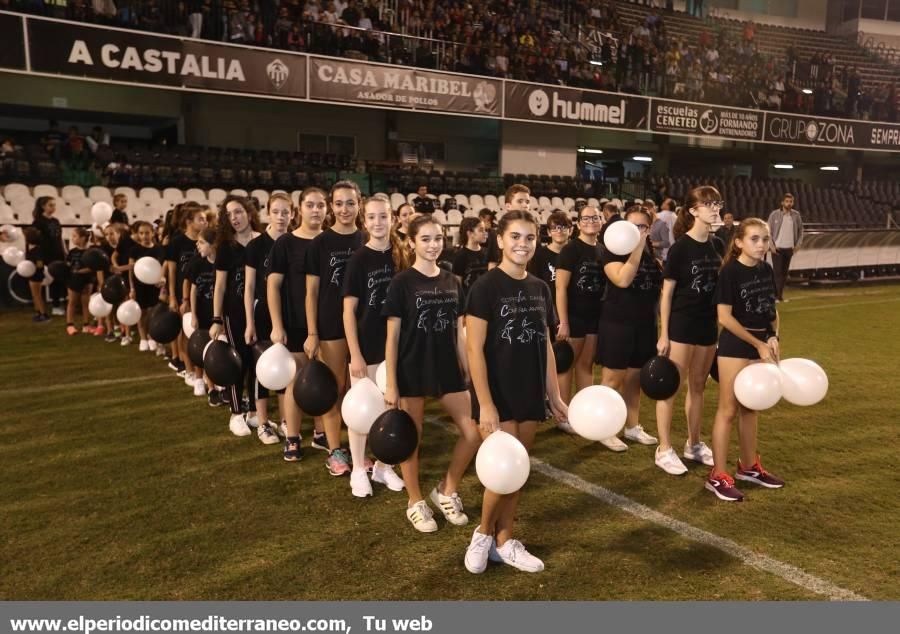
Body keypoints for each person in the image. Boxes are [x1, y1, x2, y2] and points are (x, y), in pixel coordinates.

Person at [464, 209, 568, 574]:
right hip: (497, 391)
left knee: (518, 471)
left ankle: (505, 542)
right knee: (502, 471)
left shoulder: (540, 287)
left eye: (529, 238)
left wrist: (554, 395)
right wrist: (487, 404)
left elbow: (546, 345)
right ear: (500, 240)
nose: (522, 244)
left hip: (529, 389)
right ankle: (482, 534)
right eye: (515, 237)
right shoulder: (484, 287)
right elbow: (474, 348)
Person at [382, 214, 480, 533]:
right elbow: (393, 336)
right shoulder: (402, 282)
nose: (433, 244)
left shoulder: (453, 280)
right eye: (425, 239)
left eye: (437, 238)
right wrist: (392, 384)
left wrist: (469, 371)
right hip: (412, 367)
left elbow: (459, 332)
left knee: (472, 433)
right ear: (411, 242)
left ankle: (446, 490)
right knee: (413, 438)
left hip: (447, 368)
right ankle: (415, 501)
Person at [707, 218, 784, 502]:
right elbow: (724, 317)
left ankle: (749, 467)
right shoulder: (730, 272)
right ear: (738, 242)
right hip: (735, 346)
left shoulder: (765, 269)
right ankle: (717, 475)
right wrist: (758, 344)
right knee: (728, 410)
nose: (761, 244)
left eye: (764, 239)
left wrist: (774, 336)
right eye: (754, 239)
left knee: (751, 407)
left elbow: (770, 309)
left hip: (760, 344)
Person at [654, 186, 723, 475]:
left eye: (717, 203)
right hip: (681, 324)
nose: (714, 208)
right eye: (707, 204)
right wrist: (664, 333)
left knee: (698, 386)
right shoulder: (681, 247)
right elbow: (667, 292)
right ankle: (664, 448)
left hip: (707, 325)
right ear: (693, 211)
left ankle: (693, 444)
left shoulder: (718, 245)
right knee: (671, 387)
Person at [342, 194, 407, 497]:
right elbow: (348, 311)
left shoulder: (400, 255)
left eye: (383, 216)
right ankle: (358, 468)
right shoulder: (358, 259)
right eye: (372, 217)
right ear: (364, 221)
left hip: (395, 347)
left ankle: (383, 466)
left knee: (390, 408)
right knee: (362, 411)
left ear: (392, 218)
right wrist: (355, 354)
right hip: (366, 346)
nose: (378, 223)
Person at [304, 181, 365, 475]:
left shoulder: (367, 238)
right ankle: (335, 449)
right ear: (332, 206)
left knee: (362, 388)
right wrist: (313, 332)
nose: (344, 209)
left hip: (365, 323)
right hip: (330, 324)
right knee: (335, 387)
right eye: (339, 203)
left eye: (350, 203)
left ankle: (360, 449)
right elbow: (312, 292)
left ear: (359, 204)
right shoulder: (321, 243)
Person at [269, 188, 328, 460]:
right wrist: (277, 325)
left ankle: (320, 433)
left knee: (324, 382)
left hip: (328, 324)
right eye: (310, 205)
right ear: (299, 209)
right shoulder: (286, 243)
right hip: (295, 323)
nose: (316, 210)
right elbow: (273, 286)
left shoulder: (331, 241)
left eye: (320, 205)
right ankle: (292, 437)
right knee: (296, 382)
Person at [597, 206, 661, 451]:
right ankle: (606, 429)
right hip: (617, 323)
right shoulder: (610, 252)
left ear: (649, 229)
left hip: (644, 324)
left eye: (642, 227)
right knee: (612, 379)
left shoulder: (652, 257)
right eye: (632, 227)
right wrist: (636, 248)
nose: (637, 231)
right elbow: (622, 280)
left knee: (635, 380)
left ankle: (632, 427)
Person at [209, 196, 262, 437]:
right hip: (234, 313)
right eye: (229, 215)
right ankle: (236, 412)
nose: (235, 218)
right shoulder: (226, 248)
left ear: (249, 213)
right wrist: (217, 318)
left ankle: (254, 410)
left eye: (238, 212)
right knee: (237, 361)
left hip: (261, 312)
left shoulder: (263, 242)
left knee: (257, 362)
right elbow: (219, 287)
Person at [244, 194, 293, 445]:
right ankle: (263, 423)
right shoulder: (256, 246)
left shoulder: (295, 242)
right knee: (261, 369)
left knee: (287, 368)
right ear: (268, 213)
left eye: (286, 212)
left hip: (289, 313)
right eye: (277, 211)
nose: (282, 217)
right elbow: (250, 286)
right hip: (263, 313)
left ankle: (285, 420)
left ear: (292, 214)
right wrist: (250, 322)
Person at [555, 205, 604, 438]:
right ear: (578, 223)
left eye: (595, 217)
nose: (590, 221)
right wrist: (563, 321)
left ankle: (582, 414)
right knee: (567, 365)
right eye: (586, 218)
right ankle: (563, 415)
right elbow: (560, 287)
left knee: (586, 365)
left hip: (594, 317)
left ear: (601, 221)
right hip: (573, 315)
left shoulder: (604, 250)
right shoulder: (571, 249)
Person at [167, 203, 208, 391]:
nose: (205, 222)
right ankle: (189, 370)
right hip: (183, 292)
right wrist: (172, 296)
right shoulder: (177, 241)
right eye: (200, 219)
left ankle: (205, 373)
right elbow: (172, 270)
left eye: (205, 219)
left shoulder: (207, 240)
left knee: (199, 333)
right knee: (185, 332)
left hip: (203, 294)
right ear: (189, 222)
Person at [187, 228, 219, 402]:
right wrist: (193, 314)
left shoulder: (222, 262)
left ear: (213, 244)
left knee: (219, 350)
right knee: (205, 350)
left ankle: (223, 385)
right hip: (203, 312)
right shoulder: (197, 264)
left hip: (218, 315)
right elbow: (193, 290)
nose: (197, 245)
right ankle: (211, 387)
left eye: (201, 242)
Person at [128, 221, 164, 350]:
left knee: (153, 313)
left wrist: (162, 281)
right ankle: (143, 338)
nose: (144, 236)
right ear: (138, 234)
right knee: (141, 312)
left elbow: (162, 267)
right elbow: (131, 270)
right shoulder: (134, 250)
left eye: (147, 233)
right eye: (141, 233)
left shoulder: (159, 249)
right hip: (139, 285)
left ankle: (152, 337)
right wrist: (131, 288)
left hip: (154, 285)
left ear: (153, 233)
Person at [31, 197, 67, 315]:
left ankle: (56, 305)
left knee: (57, 280)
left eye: (54, 205)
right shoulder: (38, 222)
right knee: (46, 279)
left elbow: (59, 238)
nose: (53, 208)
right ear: (43, 206)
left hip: (57, 253)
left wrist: (64, 251)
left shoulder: (56, 221)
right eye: (50, 205)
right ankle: (41, 307)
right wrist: (39, 257)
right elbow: (36, 241)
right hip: (46, 254)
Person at [767, 193, 803, 303]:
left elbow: (801, 231)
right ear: (782, 202)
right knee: (777, 273)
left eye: (791, 201)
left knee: (784, 273)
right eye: (787, 201)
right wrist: (771, 246)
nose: (789, 203)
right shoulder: (774, 214)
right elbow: (768, 231)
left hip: (789, 249)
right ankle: (774, 296)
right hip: (777, 249)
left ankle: (780, 296)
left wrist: (797, 246)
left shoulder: (796, 215)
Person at [488, 185, 530, 270]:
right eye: (520, 201)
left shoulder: (533, 232)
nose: (525, 205)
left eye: (527, 202)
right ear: (508, 206)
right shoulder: (496, 233)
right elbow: (492, 264)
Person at [64, 228, 94, 335]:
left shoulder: (90, 252)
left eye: (75, 236)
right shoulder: (72, 252)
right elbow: (67, 264)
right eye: (72, 236)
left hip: (87, 279)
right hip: (74, 280)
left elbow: (92, 267)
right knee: (72, 302)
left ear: (83, 238)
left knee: (86, 303)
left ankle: (86, 325)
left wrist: (81, 271)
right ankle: (70, 325)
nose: (72, 238)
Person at [452, 217, 488, 296]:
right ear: (470, 233)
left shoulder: (487, 252)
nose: (485, 233)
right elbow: (457, 285)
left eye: (485, 230)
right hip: (468, 301)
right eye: (481, 230)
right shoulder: (460, 256)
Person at [22, 227, 50, 323]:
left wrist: (31, 265)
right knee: (35, 295)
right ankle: (38, 312)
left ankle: (44, 315)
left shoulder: (37, 250)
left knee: (37, 295)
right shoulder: (31, 249)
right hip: (32, 274)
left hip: (36, 275)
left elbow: (40, 264)